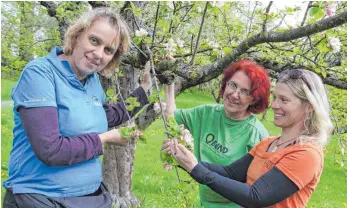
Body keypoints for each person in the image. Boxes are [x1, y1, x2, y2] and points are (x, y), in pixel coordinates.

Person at [3, 7, 151, 208]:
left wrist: (144, 89)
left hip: (87, 198)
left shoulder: (92, 81)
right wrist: (105, 138)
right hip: (39, 197)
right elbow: (51, 151)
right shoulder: (40, 74)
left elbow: (107, 115)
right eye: (94, 40)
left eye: (108, 50)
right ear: (77, 34)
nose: (98, 54)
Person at [163, 69, 334, 208]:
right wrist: (183, 158)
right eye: (275, 98)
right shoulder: (269, 143)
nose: (274, 105)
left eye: (284, 100)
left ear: (309, 107)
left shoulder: (306, 154)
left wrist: (196, 169)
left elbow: (256, 196)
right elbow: (230, 173)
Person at [163, 59, 271, 208]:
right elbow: (171, 116)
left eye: (244, 91)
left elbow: (258, 191)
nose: (234, 94)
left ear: (254, 99)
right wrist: (168, 82)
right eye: (233, 85)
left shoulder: (257, 135)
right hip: (206, 202)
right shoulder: (205, 113)